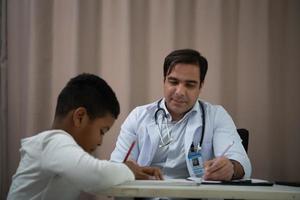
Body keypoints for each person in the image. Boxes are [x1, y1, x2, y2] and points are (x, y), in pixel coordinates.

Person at [7, 73, 163, 200]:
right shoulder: (53, 141)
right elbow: (97, 176)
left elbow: (93, 172)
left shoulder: (60, 151)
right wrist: (128, 170)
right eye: (102, 131)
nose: (101, 142)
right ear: (80, 117)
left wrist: (126, 173)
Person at [111, 49, 251, 181]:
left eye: (189, 85)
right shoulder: (138, 116)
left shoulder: (216, 116)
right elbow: (116, 166)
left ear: (200, 86)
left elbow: (242, 163)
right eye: (173, 82)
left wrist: (231, 168)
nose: (180, 92)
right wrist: (125, 169)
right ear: (164, 81)